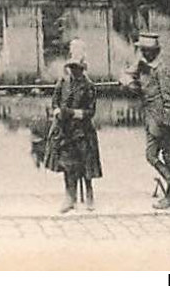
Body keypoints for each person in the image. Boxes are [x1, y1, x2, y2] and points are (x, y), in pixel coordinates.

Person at [121, 31, 170, 210]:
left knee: (166, 156)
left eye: (146, 50)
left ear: (155, 51)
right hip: (151, 116)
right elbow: (125, 75)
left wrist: (168, 121)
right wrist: (130, 83)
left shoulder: (161, 69)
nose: (143, 53)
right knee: (153, 156)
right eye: (142, 49)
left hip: (164, 119)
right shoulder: (142, 64)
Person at [46, 39, 103, 212]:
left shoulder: (88, 86)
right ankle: (69, 197)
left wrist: (72, 113)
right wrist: (58, 112)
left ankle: (89, 195)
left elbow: (90, 112)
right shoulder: (62, 82)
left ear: (82, 69)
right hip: (65, 130)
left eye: (76, 68)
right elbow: (54, 102)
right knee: (67, 164)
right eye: (71, 67)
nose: (73, 71)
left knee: (86, 164)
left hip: (82, 130)